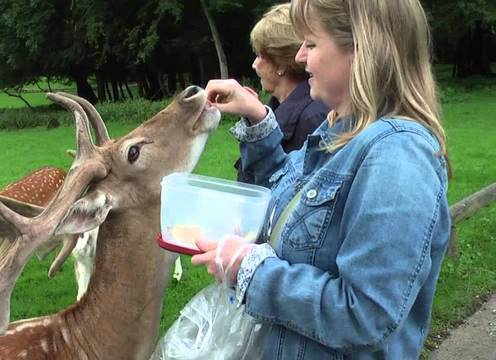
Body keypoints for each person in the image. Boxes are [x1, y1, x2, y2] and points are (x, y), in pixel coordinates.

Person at [193, 0, 451, 358]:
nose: (299, 57)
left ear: (362, 49)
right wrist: (256, 117)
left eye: (311, 44)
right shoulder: (342, 130)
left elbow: (367, 315)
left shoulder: (398, 156)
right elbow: (290, 199)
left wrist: (250, 271)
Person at [236, 3, 328, 183]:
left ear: (280, 64)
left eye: (261, 56)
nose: (254, 64)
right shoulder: (271, 111)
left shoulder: (314, 118)